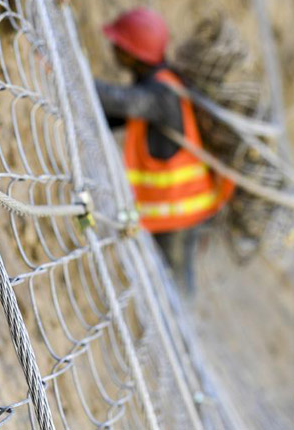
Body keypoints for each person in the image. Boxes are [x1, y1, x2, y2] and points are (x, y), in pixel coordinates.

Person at [96, 7, 235, 292]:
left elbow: (117, 101)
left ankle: (185, 321)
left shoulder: (161, 94)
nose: (113, 47)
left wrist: (64, 68)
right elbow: (113, 115)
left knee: (176, 287)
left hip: (180, 211)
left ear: (133, 53)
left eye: (119, 44)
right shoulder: (159, 85)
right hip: (175, 209)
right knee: (168, 282)